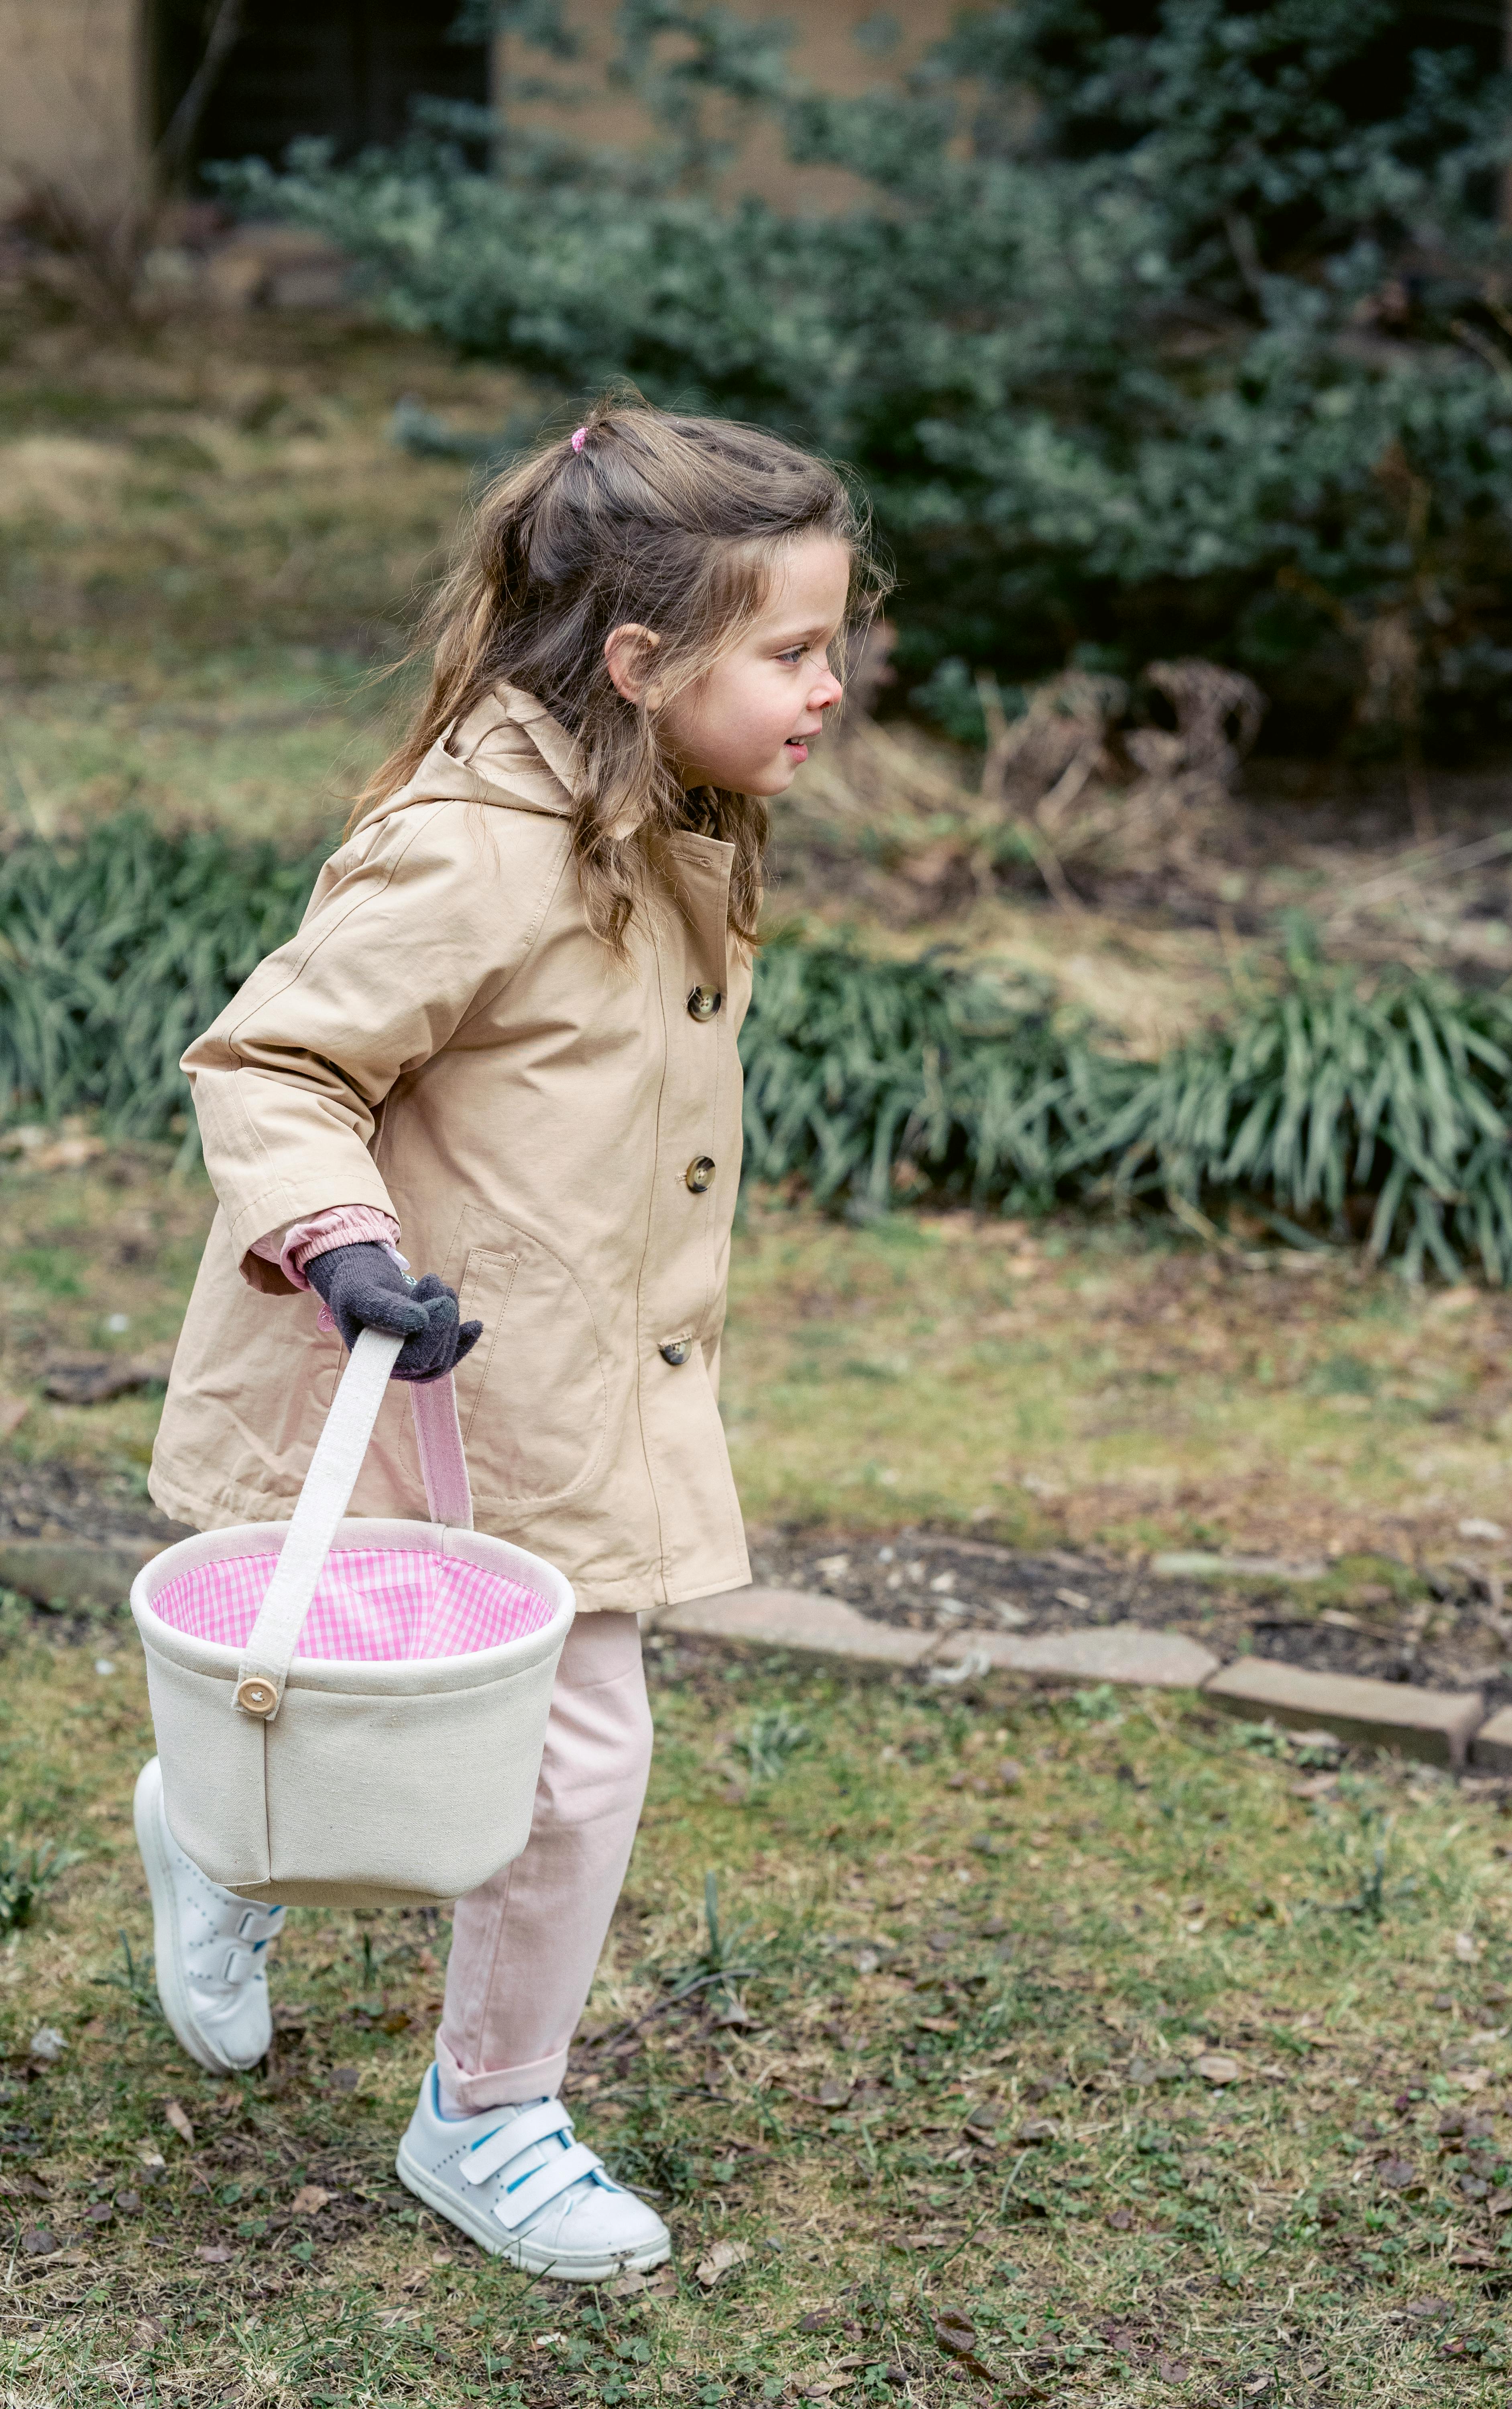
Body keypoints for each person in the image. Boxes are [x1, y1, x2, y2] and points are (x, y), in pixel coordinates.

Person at [134, 400, 886, 2281]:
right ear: (639, 663)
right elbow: (277, 1058)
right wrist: (334, 1237)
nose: (832, 686)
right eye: (792, 650)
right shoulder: (482, 850)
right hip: (398, 1361)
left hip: (561, 1398)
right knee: (352, 1702)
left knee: (566, 1754)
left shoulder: (665, 816)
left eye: (833, 638)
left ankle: (487, 2106)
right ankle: (220, 1845)